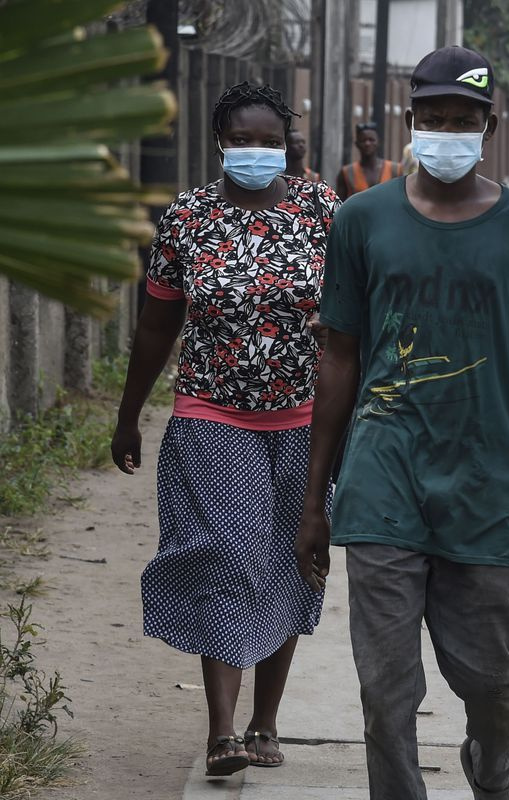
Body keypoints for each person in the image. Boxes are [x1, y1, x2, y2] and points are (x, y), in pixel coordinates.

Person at [294, 45, 509, 800]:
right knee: (386, 690)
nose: (448, 131)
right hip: (383, 476)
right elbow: (339, 360)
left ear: (489, 125)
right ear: (412, 122)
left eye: (464, 120)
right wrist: (315, 501)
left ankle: (490, 761)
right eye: (434, 118)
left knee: (493, 684)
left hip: (482, 479)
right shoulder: (360, 220)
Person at [110, 82, 340, 777]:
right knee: (226, 556)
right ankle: (221, 732)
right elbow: (156, 325)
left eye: (268, 139)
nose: (255, 151)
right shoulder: (187, 218)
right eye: (242, 138)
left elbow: (358, 317)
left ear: (288, 144)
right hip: (212, 413)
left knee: (289, 562)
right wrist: (127, 415)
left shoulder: (322, 211)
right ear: (219, 142)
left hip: (306, 420)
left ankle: (266, 720)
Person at [336, 121, 400, 200]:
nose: (367, 143)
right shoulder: (347, 172)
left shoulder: (395, 170)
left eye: (371, 140)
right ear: (357, 144)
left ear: (378, 142)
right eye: (363, 140)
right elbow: (339, 206)